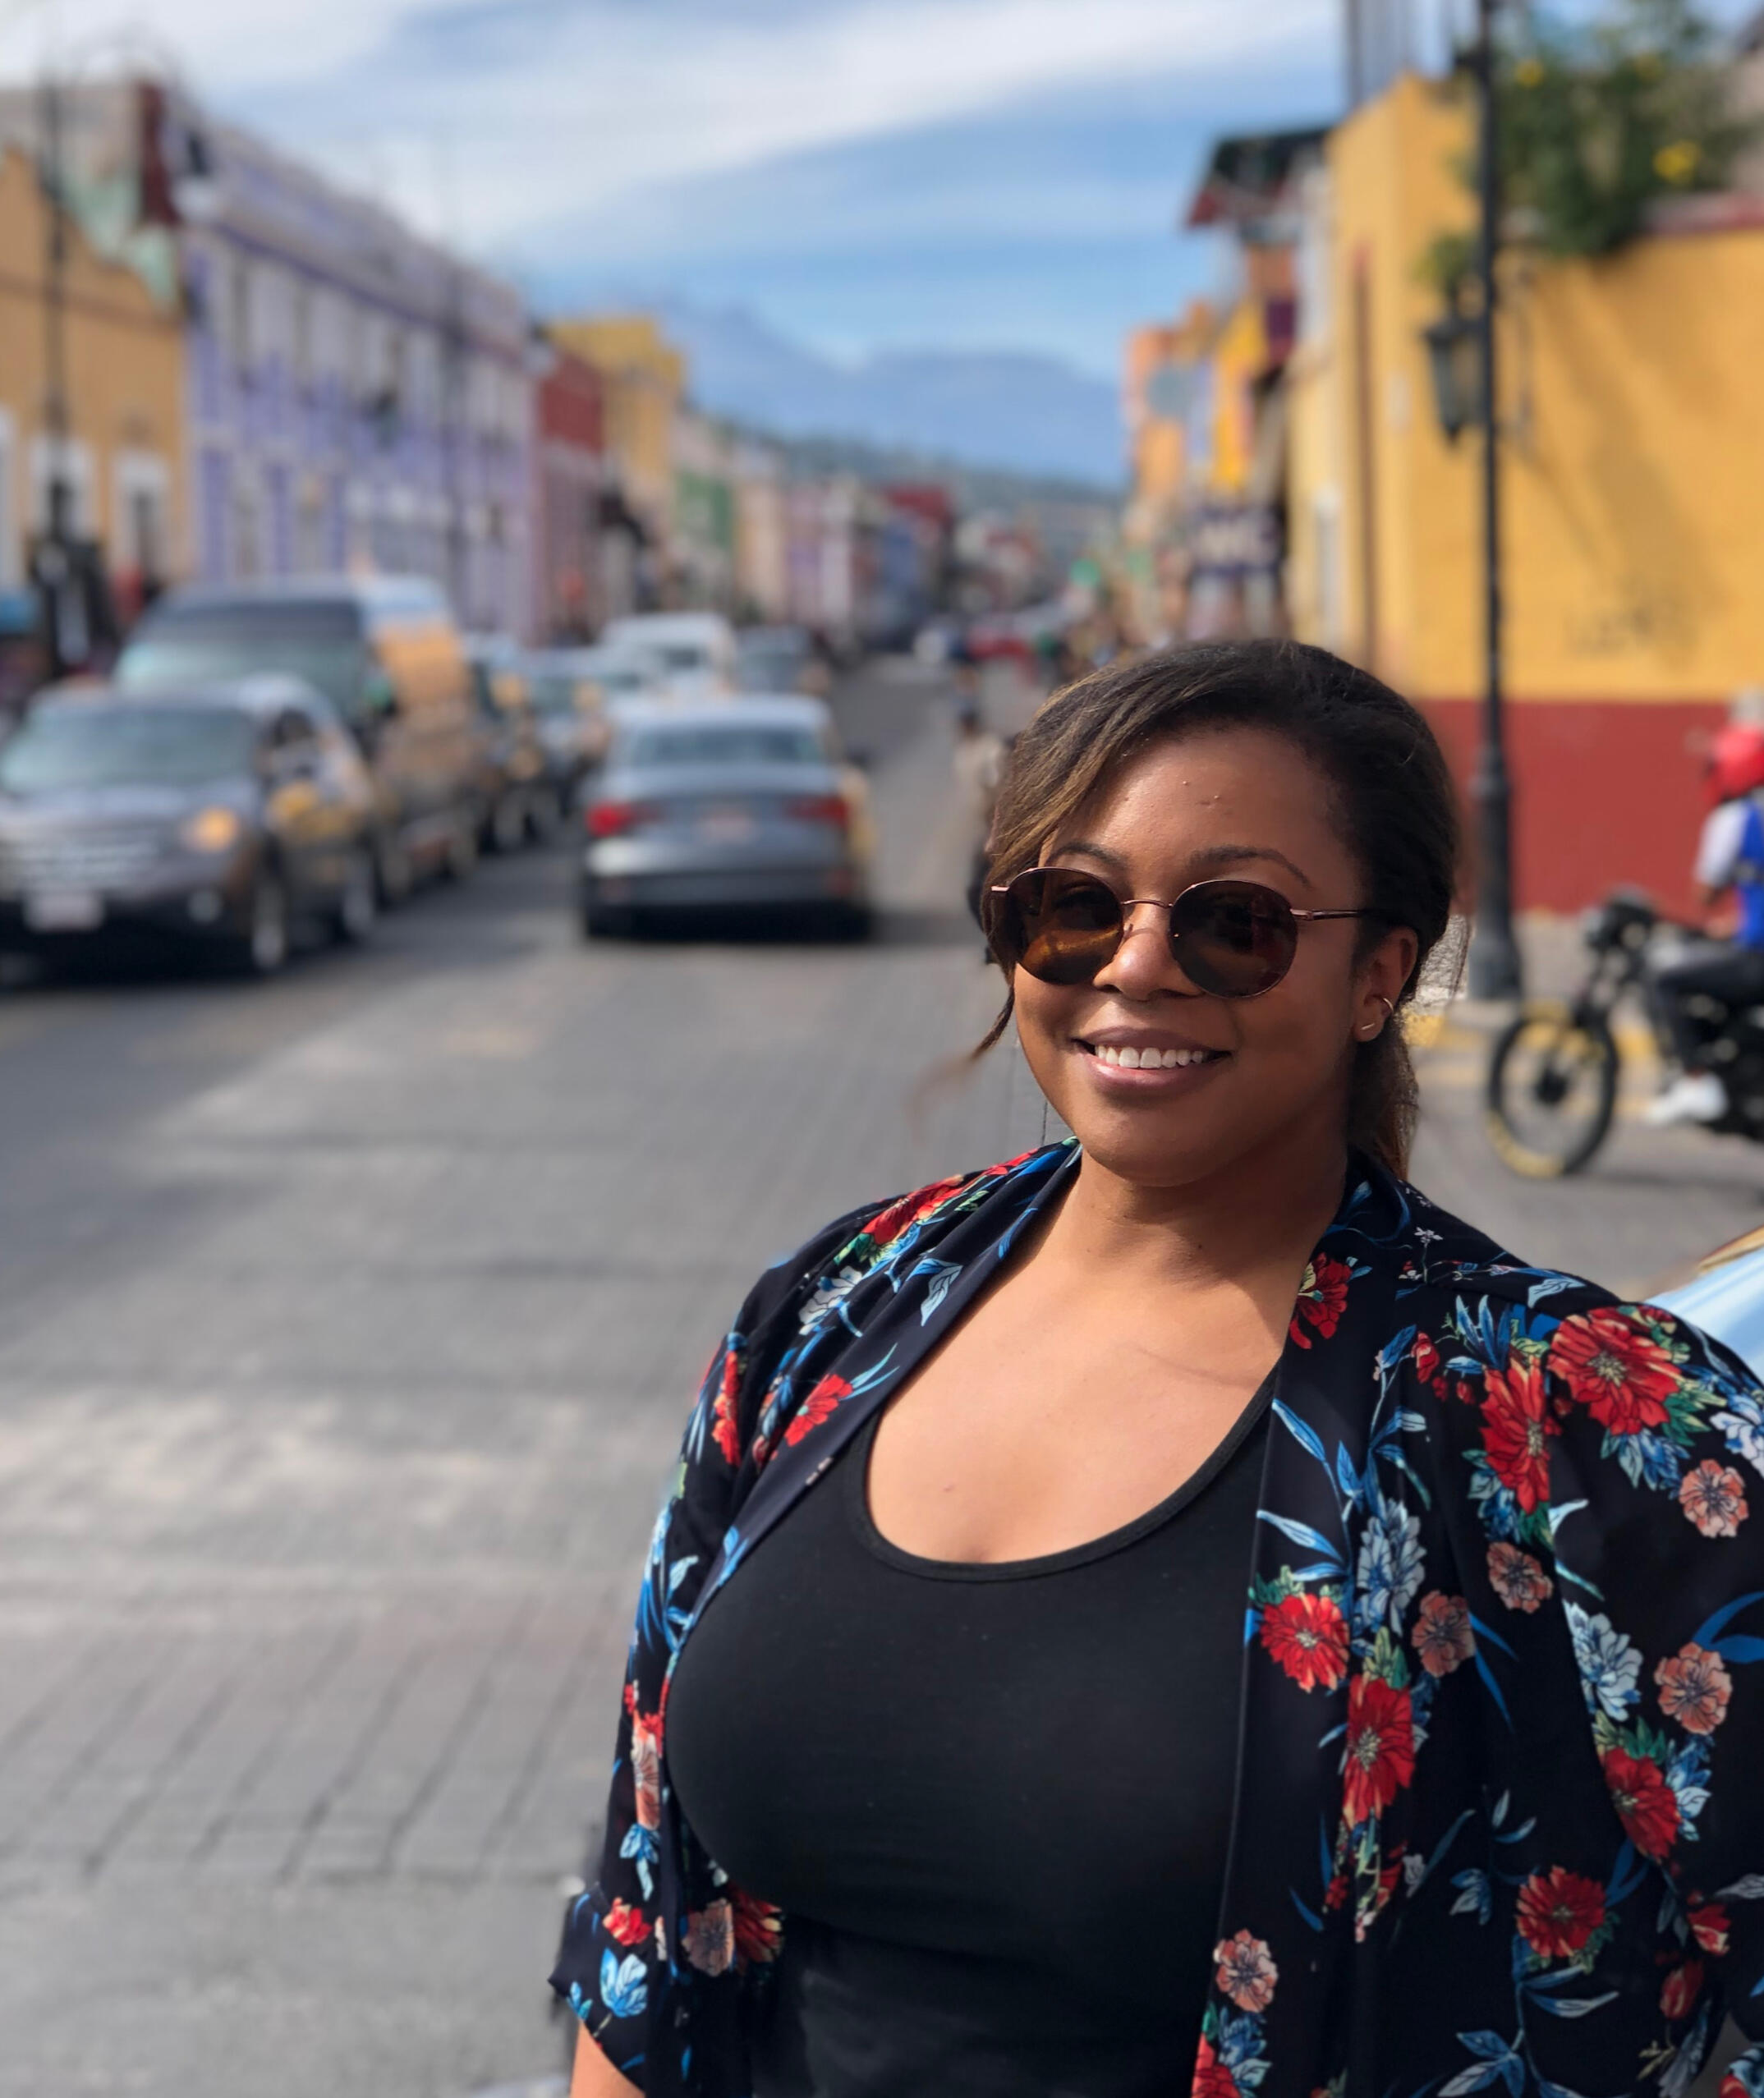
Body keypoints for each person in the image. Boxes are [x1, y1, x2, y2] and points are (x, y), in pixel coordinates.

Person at [555, 640, 1764, 2098]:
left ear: (1381, 972)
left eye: (1234, 921)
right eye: (1074, 906)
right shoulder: (834, 1309)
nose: (1135, 964)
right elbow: (646, 1930)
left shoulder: (1558, 1410)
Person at [1647, 716, 1764, 1127]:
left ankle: (1696, 1080)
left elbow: (1705, 893)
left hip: (1756, 959)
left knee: (1666, 979)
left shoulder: (1734, 819)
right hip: (1751, 943)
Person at [951, 700, 1007, 927]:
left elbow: (996, 786)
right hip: (978, 820)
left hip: (993, 820)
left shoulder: (990, 749)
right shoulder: (964, 750)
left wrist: (993, 823)